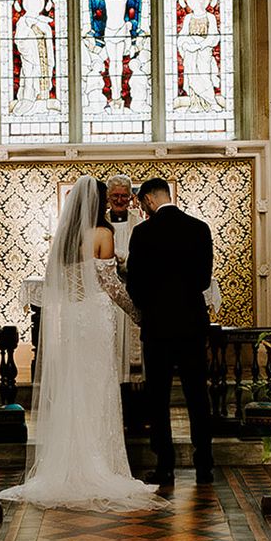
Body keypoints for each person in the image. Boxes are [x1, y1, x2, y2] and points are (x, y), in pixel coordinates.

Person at [0, 176, 166, 511]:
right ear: (97, 202)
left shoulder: (65, 240)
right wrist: (137, 312)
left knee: (75, 386)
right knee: (97, 386)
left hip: (72, 320)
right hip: (96, 318)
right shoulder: (103, 234)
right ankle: (98, 462)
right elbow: (111, 285)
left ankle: (69, 462)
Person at [126, 177, 214, 487]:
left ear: (149, 199)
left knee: (158, 398)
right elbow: (204, 281)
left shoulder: (143, 233)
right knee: (197, 396)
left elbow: (134, 283)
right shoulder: (199, 228)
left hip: (158, 326)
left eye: (141, 201)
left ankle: (165, 467)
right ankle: (204, 465)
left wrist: (150, 303)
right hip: (191, 323)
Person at [106, 174, 146, 432]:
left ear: (131, 197)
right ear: (108, 199)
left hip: (132, 298)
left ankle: (135, 416)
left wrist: (126, 263)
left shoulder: (139, 224)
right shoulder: (99, 225)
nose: (120, 200)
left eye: (124, 196)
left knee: (133, 360)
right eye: (115, 196)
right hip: (108, 301)